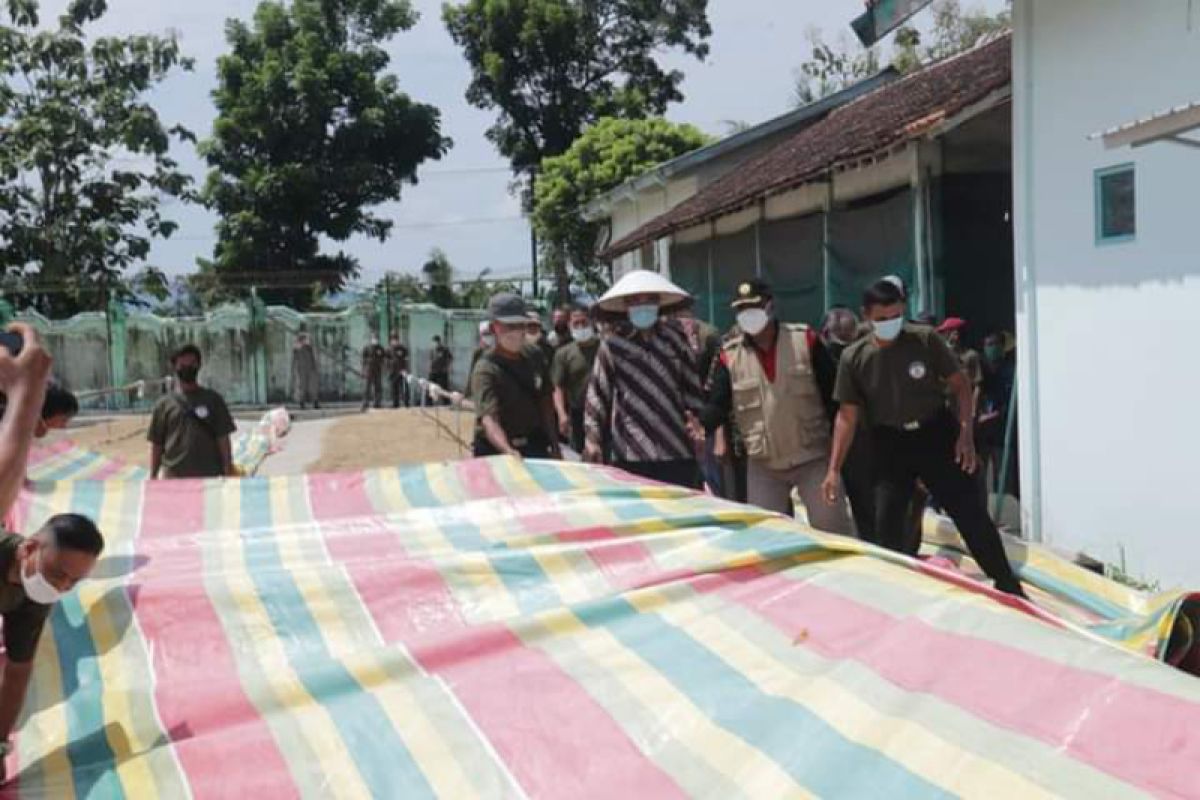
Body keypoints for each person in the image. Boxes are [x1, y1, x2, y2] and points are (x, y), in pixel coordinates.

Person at [822, 279, 1025, 597]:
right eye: (882, 318)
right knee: (887, 524)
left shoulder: (925, 340)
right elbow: (847, 415)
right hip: (889, 443)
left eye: (896, 316)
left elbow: (960, 385)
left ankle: (1007, 583)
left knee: (969, 513)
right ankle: (892, 594)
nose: (890, 323)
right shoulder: (854, 358)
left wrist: (966, 434)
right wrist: (834, 468)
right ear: (867, 316)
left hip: (935, 435)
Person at [701, 281, 852, 533]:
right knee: (766, 537)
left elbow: (834, 399)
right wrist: (701, 425)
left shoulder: (805, 341)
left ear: (770, 306)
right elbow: (718, 403)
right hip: (764, 464)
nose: (748, 315)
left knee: (833, 531)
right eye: (742, 310)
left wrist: (836, 464)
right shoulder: (730, 356)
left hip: (812, 458)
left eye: (754, 307)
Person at [0, 514, 104, 775]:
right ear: (29, 549)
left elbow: (17, 670)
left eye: (74, 582)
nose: (62, 586)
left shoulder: (36, 594)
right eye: (58, 574)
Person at [584, 270, 703, 489]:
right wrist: (592, 439)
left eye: (649, 300)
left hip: (675, 447)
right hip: (630, 451)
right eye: (635, 301)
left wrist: (698, 424)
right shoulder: (612, 345)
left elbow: (692, 389)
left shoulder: (675, 340)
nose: (642, 306)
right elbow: (597, 395)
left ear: (658, 303)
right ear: (626, 307)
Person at [472, 293, 561, 460]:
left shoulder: (534, 355)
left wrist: (554, 444)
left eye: (520, 325)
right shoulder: (485, 369)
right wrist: (507, 451)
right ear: (493, 328)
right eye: (508, 326)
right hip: (495, 449)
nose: (516, 331)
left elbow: (546, 402)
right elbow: (489, 419)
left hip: (534, 443)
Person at [820, 305, 876, 539]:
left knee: (866, 506)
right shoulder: (816, 359)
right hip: (824, 439)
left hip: (858, 440)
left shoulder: (864, 357)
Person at [149, 345, 237, 479]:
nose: (188, 368)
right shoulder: (163, 405)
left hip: (209, 479)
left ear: (199, 366)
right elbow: (157, 444)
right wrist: (153, 476)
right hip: (174, 479)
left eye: (192, 364)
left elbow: (223, 439)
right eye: (182, 364)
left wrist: (228, 470)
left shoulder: (214, 400)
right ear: (175, 367)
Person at [551, 305, 600, 454]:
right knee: (579, 456)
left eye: (584, 322)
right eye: (575, 324)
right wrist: (561, 414)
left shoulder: (604, 347)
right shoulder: (563, 354)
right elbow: (557, 386)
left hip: (603, 411)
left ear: (592, 322)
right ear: (569, 326)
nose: (580, 327)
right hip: (578, 413)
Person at [978, 331, 1019, 499]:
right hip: (982, 436)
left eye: (995, 344)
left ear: (1003, 347)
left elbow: (1011, 404)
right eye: (988, 345)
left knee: (1003, 479)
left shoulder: (1010, 372)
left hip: (1002, 435)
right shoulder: (982, 371)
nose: (991, 348)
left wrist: (994, 416)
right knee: (980, 480)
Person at [937, 317, 983, 406]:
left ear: (955, 334)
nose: (944, 337)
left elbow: (978, 386)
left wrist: (973, 408)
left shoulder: (971, 356)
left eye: (946, 333)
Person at [291, 330, 320, 410]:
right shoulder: (297, 345)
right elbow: (295, 354)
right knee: (302, 386)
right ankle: (302, 403)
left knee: (312, 387)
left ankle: (315, 402)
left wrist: (315, 366)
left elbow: (314, 354)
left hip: (311, 368)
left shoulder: (309, 345)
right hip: (301, 369)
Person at [467, 321, 494, 399]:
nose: (489, 337)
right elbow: (471, 373)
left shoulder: (499, 351)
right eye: (485, 334)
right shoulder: (478, 352)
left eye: (490, 334)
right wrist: (467, 393)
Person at [360, 335, 386, 411]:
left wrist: (383, 367)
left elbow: (383, 359)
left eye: (376, 339)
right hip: (368, 370)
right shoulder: (367, 348)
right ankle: (365, 403)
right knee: (366, 388)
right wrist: (363, 370)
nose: (375, 340)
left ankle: (377, 403)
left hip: (378, 370)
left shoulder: (380, 348)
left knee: (378, 387)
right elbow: (363, 360)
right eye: (374, 339)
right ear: (371, 339)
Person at [387, 334, 410, 409]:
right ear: (391, 340)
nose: (394, 341)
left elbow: (406, 360)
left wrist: (405, 369)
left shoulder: (402, 348)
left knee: (404, 388)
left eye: (396, 339)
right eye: (393, 339)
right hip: (393, 371)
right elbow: (386, 360)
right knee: (394, 388)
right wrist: (388, 369)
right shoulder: (389, 349)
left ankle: (406, 403)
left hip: (402, 371)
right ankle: (395, 403)